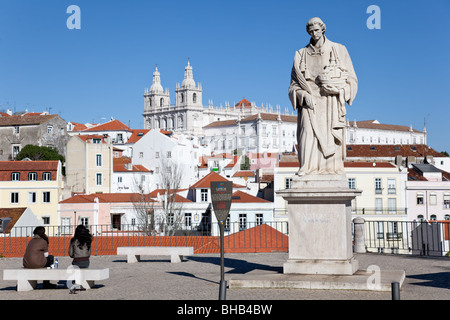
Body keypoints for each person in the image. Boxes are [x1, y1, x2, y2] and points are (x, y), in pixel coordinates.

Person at [289, 17, 358, 176]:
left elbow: (352, 80)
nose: (314, 33)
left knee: (330, 136)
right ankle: (307, 167)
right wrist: (301, 94)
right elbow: (293, 86)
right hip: (309, 102)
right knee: (307, 132)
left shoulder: (339, 49)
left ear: (323, 29)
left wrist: (340, 91)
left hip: (330, 102)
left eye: (317, 30)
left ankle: (332, 168)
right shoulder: (300, 54)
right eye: (311, 31)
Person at [68, 225, 92, 293]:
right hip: (86, 261)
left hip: (77, 261)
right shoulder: (88, 240)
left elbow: (70, 253)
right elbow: (89, 253)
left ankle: (76, 284)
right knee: (82, 269)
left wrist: (75, 256)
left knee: (75, 267)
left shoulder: (73, 240)